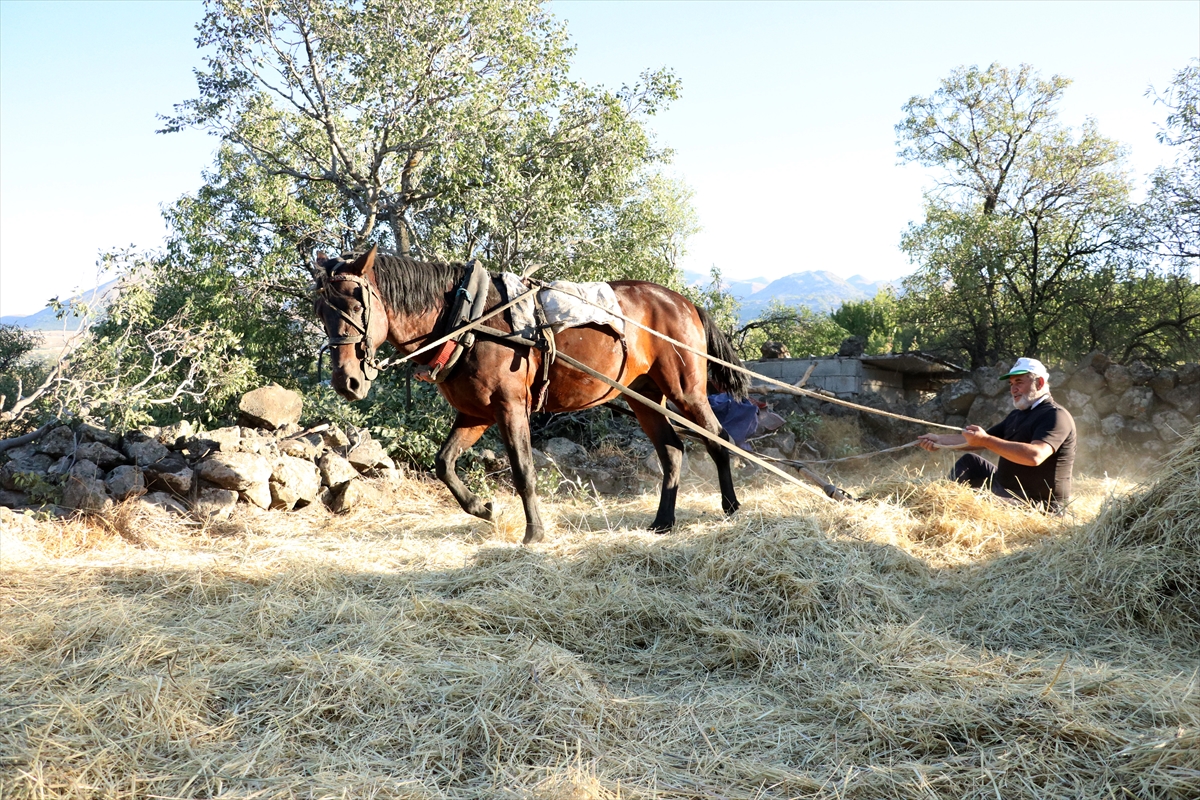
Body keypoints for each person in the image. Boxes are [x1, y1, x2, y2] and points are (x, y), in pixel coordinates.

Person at [917, 357, 1076, 511]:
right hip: (1005, 488)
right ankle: (938, 504)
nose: (1013, 389)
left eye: (1019, 382)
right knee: (970, 461)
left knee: (976, 502)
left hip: (1038, 503)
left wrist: (986, 440)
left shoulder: (1056, 416)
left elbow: (1035, 456)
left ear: (1039, 383)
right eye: (1011, 384)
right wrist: (938, 440)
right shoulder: (1016, 415)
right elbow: (975, 440)